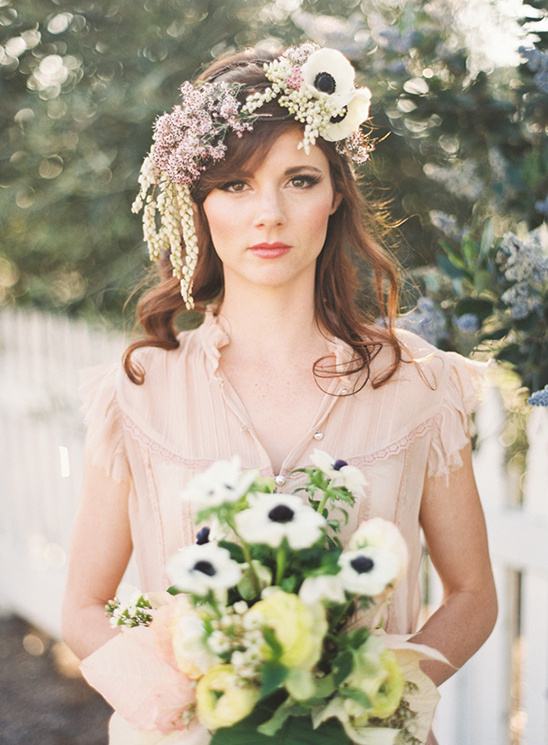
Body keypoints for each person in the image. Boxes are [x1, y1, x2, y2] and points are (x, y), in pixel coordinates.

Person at [62, 42, 497, 744]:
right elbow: (83, 604)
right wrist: (178, 701)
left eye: (298, 179)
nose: (268, 214)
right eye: (235, 185)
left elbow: (474, 595)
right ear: (201, 202)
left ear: (334, 196)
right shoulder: (136, 390)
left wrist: (367, 694)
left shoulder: (419, 384)